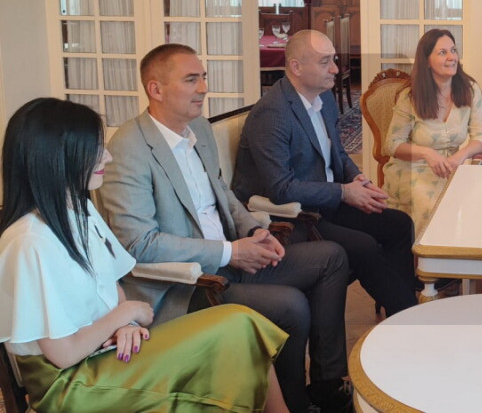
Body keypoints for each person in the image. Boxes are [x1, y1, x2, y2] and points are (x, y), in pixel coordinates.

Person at [99, 44, 351, 413]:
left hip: (231, 257)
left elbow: (223, 194)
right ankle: (293, 404)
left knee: (331, 257)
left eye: (203, 78)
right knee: (290, 306)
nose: (203, 88)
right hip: (186, 284)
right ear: (156, 89)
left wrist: (253, 232)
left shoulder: (198, 128)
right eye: (191, 80)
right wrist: (230, 252)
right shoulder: (129, 148)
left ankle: (327, 386)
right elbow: (139, 244)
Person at [0, 98, 290, 413]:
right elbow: (64, 353)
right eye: (96, 149)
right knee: (237, 326)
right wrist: (125, 315)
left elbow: (113, 287)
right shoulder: (29, 242)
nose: (108, 157)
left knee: (240, 327)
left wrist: (125, 324)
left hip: (104, 354)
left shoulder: (79, 209)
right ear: (58, 158)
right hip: (72, 385)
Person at [232, 31, 418, 316]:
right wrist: (344, 192)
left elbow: (338, 154)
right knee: (364, 246)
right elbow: (281, 188)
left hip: (326, 201)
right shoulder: (272, 114)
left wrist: (357, 180)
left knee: (399, 224)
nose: (335, 69)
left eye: (334, 60)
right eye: (325, 62)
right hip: (294, 214)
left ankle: (401, 309)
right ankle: (407, 316)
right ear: (296, 67)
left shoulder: (324, 98)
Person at [383, 29, 482, 234]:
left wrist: (461, 155)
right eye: (442, 52)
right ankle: (423, 254)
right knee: (430, 205)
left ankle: (457, 252)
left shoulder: (470, 90)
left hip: (453, 166)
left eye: (453, 50)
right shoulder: (410, 96)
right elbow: (392, 144)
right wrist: (426, 153)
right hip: (414, 168)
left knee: (480, 203)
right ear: (426, 61)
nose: (451, 57)